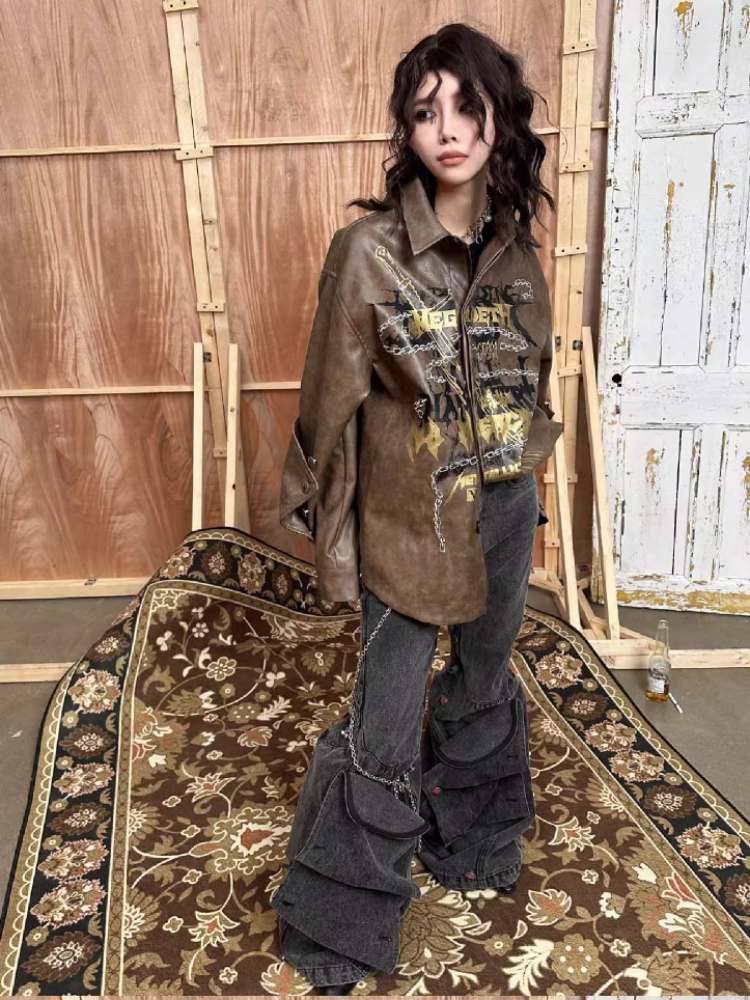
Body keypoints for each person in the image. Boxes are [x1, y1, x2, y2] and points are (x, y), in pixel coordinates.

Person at [271, 21, 562, 994]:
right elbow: (327, 404)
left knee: (482, 681)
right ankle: (342, 921)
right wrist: (334, 543)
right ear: (406, 128)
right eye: (426, 110)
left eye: (467, 107)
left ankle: (470, 840)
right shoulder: (366, 251)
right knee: (383, 726)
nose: (448, 128)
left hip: (503, 511)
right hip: (406, 523)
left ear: (498, 121)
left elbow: (531, 378)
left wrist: (527, 478)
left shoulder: (517, 252)